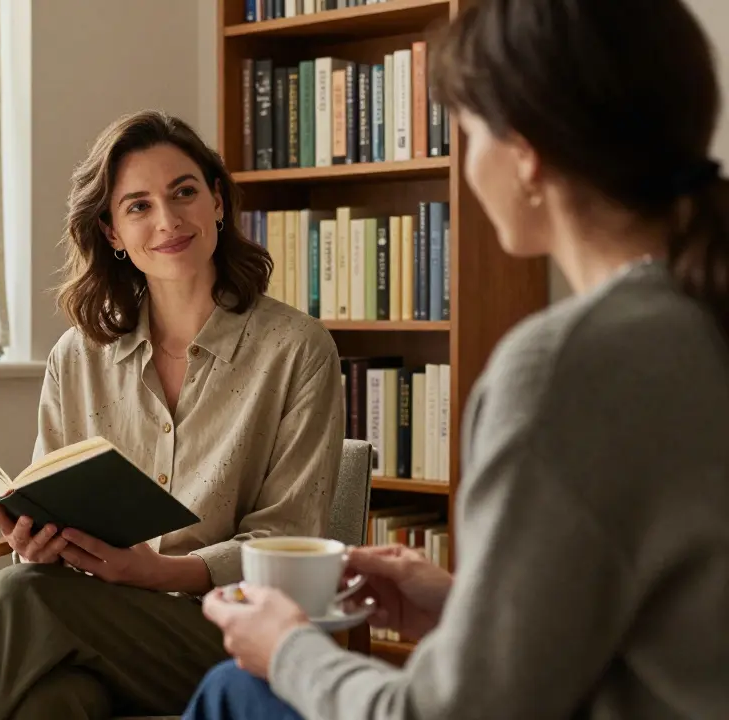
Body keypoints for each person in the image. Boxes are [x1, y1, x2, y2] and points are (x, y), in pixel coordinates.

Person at [185, 1, 729, 718]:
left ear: (526, 153)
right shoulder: (695, 315)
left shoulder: (566, 366)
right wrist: (465, 607)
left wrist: (286, 647)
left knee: (236, 689)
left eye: (465, 131)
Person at [0, 110, 346, 719]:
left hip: (234, 636)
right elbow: (48, 495)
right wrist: (33, 542)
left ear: (217, 202)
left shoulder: (297, 350)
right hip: (92, 628)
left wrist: (159, 571)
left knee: (18, 598)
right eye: (138, 206)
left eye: (184, 193)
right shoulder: (78, 356)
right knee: (52, 700)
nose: (167, 221)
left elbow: (292, 539)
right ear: (112, 232)